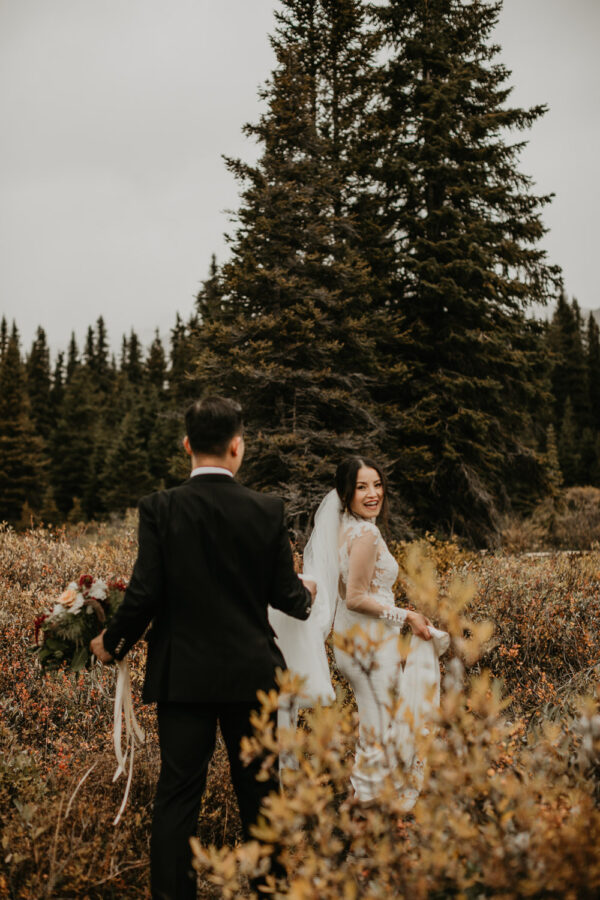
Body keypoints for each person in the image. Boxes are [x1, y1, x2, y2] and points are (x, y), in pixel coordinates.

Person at [90, 395, 316, 900]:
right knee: (261, 794)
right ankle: (270, 893)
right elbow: (290, 598)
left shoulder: (160, 508)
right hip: (252, 676)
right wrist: (308, 593)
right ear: (238, 446)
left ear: (187, 444)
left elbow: (145, 593)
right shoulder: (267, 510)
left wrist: (112, 642)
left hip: (184, 677)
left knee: (178, 796)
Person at [273, 456, 448, 807]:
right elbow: (354, 597)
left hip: (353, 641)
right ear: (346, 493)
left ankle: (362, 797)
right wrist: (408, 616)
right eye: (362, 487)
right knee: (379, 724)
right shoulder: (366, 534)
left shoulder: (344, 528)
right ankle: (366, 805)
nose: (373, 494)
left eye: (377, 485)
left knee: (376, 720)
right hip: (370, 644)